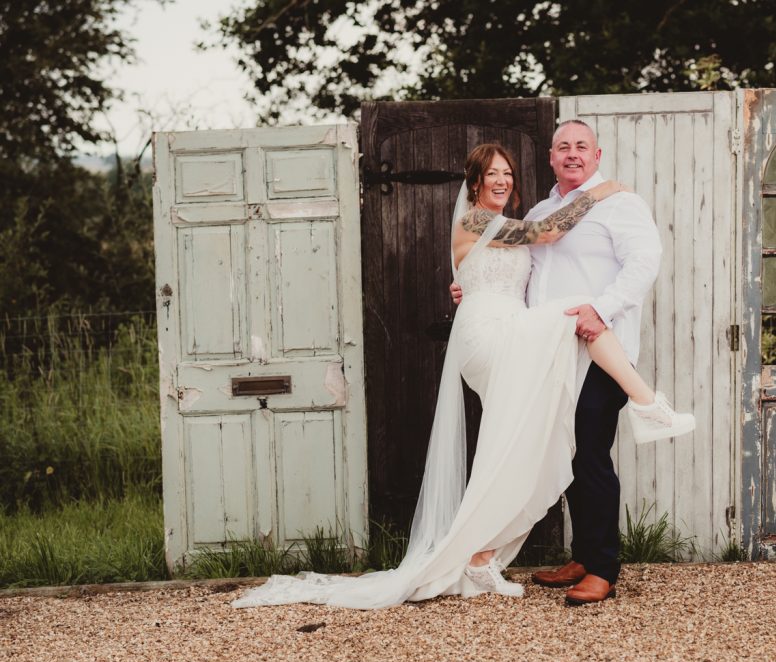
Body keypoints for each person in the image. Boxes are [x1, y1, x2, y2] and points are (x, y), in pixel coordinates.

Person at [231, 141, 691, 611]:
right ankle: (649, 405)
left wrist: (465, 283)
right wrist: (604, 190)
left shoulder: (501, 225)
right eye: (492, 173)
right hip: (490, 335)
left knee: (528, 446)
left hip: (505, 324)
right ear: (474, 182)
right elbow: (548, 234)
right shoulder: (476, 219)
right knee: (577, 318)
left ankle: (483, 555)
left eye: (507, 173)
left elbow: (524, 267)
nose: (502, 180)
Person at [451, 121, 668, 605]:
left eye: (582, 147)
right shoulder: (540, 212)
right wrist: (470, 286)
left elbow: (644, 263)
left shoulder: (623, 204)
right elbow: (531, 253)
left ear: (597, 153)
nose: (572, 154)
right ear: (550, 157)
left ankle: (604, 567)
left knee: (590, 453)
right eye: (563, 147)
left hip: (596, 347)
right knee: (565, 452)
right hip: (545, 348)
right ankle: (583, 555)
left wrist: (602, 308)